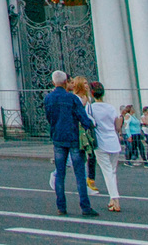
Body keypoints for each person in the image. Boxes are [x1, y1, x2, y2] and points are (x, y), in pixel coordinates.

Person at [44, 70, 99, 216]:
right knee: (79, 173)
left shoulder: (48, 98)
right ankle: (85, 207)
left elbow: (49, 117)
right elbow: (82, 117)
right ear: (65, 82)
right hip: (73, 137)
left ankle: (61, 206)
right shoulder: (72, 98)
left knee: (60, 174)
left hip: (58, 138)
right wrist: (90, 126)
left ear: (53, 82)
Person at [87, 83, 123, 212]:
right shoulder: (111, 108)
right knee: (112, 172)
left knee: (107, 172)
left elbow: (90, 124)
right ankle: (112, 200)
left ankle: (115, 199)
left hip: (100, 143)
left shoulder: (90, 108)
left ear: (92, 94)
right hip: (114, 142)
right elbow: (117, 127)